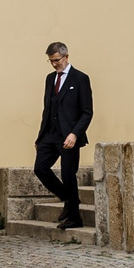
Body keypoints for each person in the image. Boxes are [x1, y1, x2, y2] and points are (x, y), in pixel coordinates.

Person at [34, 43, 95, 229]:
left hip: (69, 136)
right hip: (49, 134)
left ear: (66, 56)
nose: (54, 64)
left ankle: (75, 219)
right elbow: (47, 109)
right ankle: (70, 200)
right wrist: (40, 137)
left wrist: (75, 134)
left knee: (69, 175)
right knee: (40, 169)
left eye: (57, 60)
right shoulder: (49, 79)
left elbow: (87, 112)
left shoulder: (80, 79)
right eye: (51, 61)